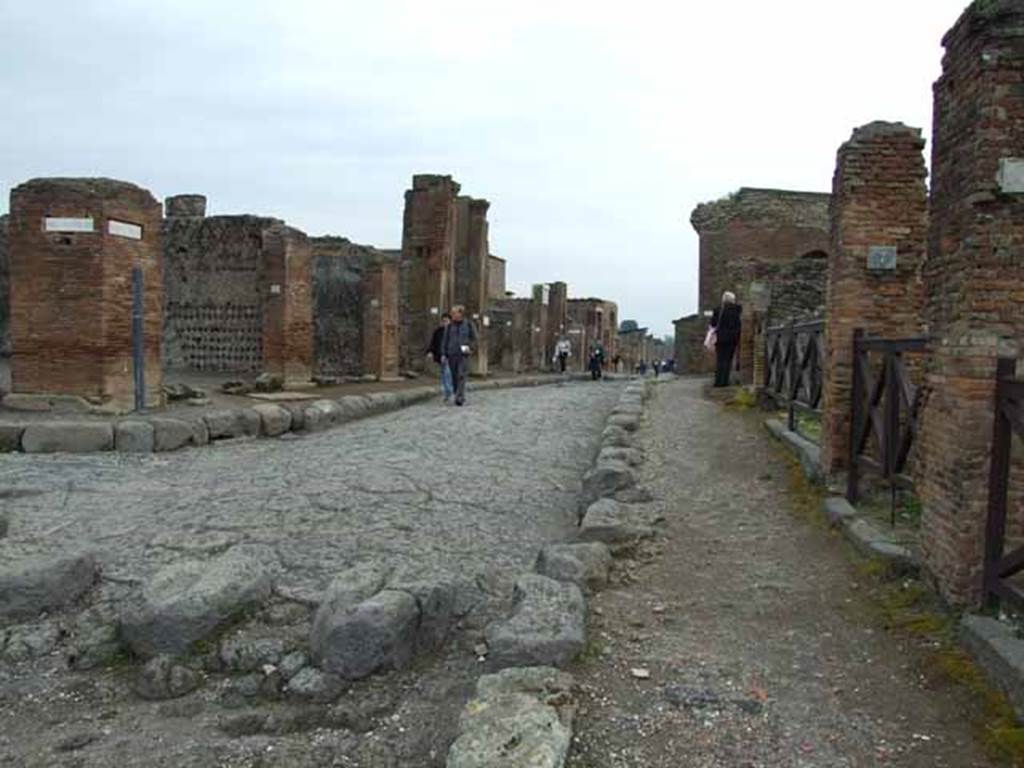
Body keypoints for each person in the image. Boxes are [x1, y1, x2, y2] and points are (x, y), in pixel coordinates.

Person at [441, 305, 478, 407]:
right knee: (454, 376)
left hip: (463, 354)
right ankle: (457, 392)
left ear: (460, 314)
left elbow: (474, 338)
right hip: (451, 354)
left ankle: (459, 398)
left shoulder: (469, 324)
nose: (452, 315)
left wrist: (470, 348)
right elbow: (445, 340)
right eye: (452, 313)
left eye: (454, 313)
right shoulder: (449, 326)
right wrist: (443, 353)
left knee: (461, 375)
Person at [710, 291, 742, 387]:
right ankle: (725, 381)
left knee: (720, 360)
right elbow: (738, 324)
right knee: (728, 360)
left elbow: (713, 324)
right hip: (732, 339)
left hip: (720, 338)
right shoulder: (737, 310)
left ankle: (718, 381)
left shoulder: (718, 310)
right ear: (733, 299)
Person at [426, 313, 453, 403]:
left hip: (450, 356)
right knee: (443, 374)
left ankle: (449, 390)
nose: (445, 323)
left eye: (446, 321)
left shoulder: (453, 332)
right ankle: (447, 392)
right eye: (443, 321)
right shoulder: (438, 331)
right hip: (440, 355)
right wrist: (430, 351)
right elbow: (433, 343)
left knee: (448, 373)